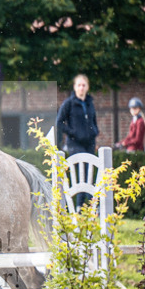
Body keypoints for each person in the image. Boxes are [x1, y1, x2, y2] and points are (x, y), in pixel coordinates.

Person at [54, 74, 100, 208]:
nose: (81, 88)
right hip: (75, 143)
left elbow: (93, 120)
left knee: (90, 174)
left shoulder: (90, 103)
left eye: (84, 85)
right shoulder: (69, 103)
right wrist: (73, 133)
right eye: (79, 85)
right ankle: (80, 207)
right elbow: (59, 122)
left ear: (87, 87)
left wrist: (94, 132)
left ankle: (90, 207)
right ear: (75, 87)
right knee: (82, 172)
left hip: (89, 143)